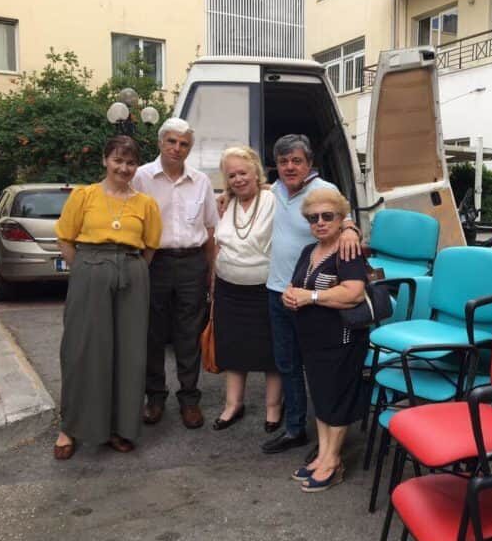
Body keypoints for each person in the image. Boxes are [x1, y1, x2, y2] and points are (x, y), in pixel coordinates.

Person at [53, 136, 162, 459]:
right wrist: (87, 270)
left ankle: (120, 427)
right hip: (90, 269)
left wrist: (129, 270)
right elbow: (65, 239)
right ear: (105, 160)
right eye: (118, 160)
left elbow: (150, 247)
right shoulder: (83, 196)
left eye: (130, 162)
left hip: (132, 272)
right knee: (82, 349)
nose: (124, 168)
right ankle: (70, 427)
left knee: (129, 353)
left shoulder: (146, 204)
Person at [261, 134, 362, 455]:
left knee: (321, 369)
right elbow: (248, 190)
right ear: (276, 166)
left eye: (296, 161)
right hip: (279, 292)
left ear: (309, 163)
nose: (289, 167)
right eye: (283, 161)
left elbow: (345, 218)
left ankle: (329, 442)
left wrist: (350, 229)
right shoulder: (273, 191)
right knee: (288, 364)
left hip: (315, 297)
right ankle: (295, 429)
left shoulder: (324, 190)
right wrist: (227, 198)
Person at [133, 117, 219, 430]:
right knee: (152, 332)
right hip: (154, 262)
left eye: (184, 144)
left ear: (189, 149)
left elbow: (210, 230)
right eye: (171, 141)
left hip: (192, 263)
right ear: (160, 142)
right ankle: (155, 397)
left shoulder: (201, 181)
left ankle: (189, 399)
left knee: (188, 333)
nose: (177, 148)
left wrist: (211, 271)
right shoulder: (141, 177)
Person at [283, 188, 369, 491]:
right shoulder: (309, 251)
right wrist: (290, 295)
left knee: (337, 400)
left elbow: (353, 293)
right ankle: (322, 454)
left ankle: (333, 461)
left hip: (342, 340)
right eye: (313, 218)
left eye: (327, 216)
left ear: (341, 218)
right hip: (312, 339)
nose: (319, 222)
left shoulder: (347, 250)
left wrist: (312, 297)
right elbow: (296, 285)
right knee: (320, 397)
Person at [211, 146, 282, 432]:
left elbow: (303, 194)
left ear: (256, 172)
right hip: (228, 290)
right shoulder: (225, 203)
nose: (238, 179)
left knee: (270, 352)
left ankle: (273, 408)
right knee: (233, 348)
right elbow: (217, 245)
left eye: (243, 172)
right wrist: (212, 284)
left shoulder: (274, 198)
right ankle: (233, 405)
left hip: (265, 290)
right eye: (231, 175)